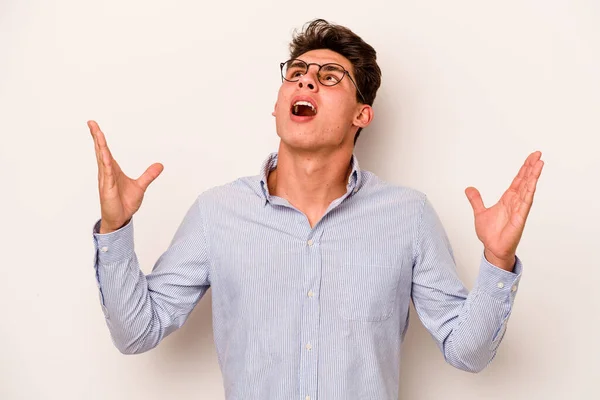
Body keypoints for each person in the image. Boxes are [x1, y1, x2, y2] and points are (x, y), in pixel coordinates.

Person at [88, 19, 544, 400]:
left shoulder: (409, 216)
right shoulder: (217, 213)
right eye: (298, 72)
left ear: (361, 115)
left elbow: (467, 352)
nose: (306, 79)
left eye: (330, 77)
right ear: (278, 104)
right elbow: (136, 333)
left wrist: (497, 260)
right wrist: (116, 225)